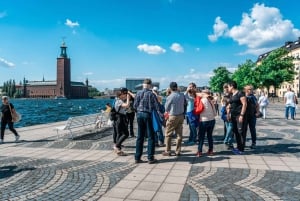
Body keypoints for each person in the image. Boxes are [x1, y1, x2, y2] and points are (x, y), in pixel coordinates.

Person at [133, 79, 163, 164]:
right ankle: (150, 157)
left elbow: (134, 106)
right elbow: (157, 107)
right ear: (150, 85)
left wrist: (138, 111)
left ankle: (137, 157)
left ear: (143, 85)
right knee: (151, 136)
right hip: (147, 114)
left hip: (139, 115)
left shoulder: (138, 93)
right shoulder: (151, 94)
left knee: (140, 136)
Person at [162, 82, 186, 156]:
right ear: (176, 87)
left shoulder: (170, 96)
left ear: (170, 88)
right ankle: (178, 151)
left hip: (173, 116)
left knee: (168, 134)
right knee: (179, 134)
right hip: (181, 116)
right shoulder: (182, 95)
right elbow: (185, 103)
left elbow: (166, 108)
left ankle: (168, 151)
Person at [228, 81, 247, 155]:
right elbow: (231, 103)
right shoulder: (232, 94)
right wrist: (229, 111)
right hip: (233, 115)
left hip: (239, 115)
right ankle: (238, 147)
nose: (228, 88)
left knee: (241, 132)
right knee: (236, 131)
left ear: (232, 86)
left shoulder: (240, 93)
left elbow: (244, 104)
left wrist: (242, 115)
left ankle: (241, 149)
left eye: (228, 86)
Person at [196, 90, 217, 157]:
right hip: (212, 120)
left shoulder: (202, 100)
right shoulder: (211, 101)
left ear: (204, 94)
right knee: (209, 136)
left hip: (204, 120)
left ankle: (199, 151)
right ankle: (210, 151)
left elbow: (198, 110)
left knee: (201, 137)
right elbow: (215, 113)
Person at [113, 88, 130, 156]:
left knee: (119, 134)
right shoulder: (119, 101)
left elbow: (125, 107)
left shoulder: (118, 100)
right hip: (120, 118)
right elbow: (127, 105)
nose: (125, 95)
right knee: (126, 134)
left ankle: (118, 149)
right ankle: (116, 146)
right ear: (120, 95)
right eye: (124, 94)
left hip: (119, 118)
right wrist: (128, 99)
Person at [244, 85, 260, 149]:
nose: (251, 90)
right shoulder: (243, 96)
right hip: (245, 115)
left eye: (251, 89)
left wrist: (257, 112)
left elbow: (257, 105)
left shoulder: (253, 97)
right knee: (243, 130)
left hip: (252, 115)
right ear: (246, 90)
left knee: (252, 129)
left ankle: (254, 142)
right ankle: (243, 142)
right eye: (249, 89)